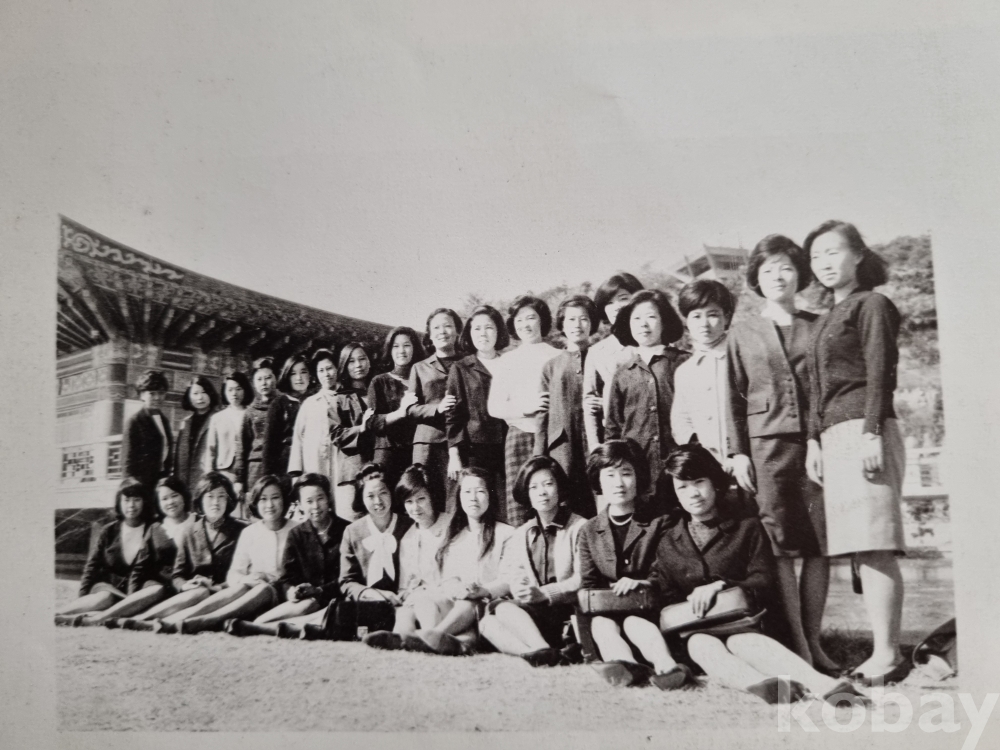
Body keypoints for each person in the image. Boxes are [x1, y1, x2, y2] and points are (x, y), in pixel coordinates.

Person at [650, 445, 860, 704]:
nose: (693, 493)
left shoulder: (747, 528)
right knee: (701, 645)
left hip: (745, 624)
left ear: (714, 482)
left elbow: (764, 580)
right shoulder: (668, 542)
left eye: (699, 482)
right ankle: (760, 686)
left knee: (745, 642)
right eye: (682, 487)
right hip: (694, 633)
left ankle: (823, 685)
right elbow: (666, 596)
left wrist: (722, 585)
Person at [805, 220, 908, 685]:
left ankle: (887, 654)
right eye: (816, 256)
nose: (824, 263)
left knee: (875, 545)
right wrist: (814, 440)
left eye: (833, 252)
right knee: (858, 547)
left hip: (866, 430)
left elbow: (880, 371)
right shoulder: (826, 317)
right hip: (835, 437)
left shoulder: (872, 304)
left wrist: (871, 432)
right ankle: (881, 650)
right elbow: (817, 388)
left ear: (859, 255)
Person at [726, 234, 833, 670]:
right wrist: (738, 453)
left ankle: (815, 639)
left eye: (786, 268)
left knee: (821, 543)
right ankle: (798, 645)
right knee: (781, 546)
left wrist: (817, 439)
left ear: (799, 274)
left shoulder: (819, 324)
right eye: (768, 269)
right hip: (765, 449)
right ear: (756, 277)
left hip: (817, 447)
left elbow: (825, 391)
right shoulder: (741, 332)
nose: (777, 276)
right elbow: (733, 397)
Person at [577, 440, 690, 689]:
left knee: (634, 623)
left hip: (650, 610)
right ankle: (625, 666)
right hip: (608, 613)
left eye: (626, 473)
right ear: (598, 481)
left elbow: (668, 570)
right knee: (602, 623)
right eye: (610, 475)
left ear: (638, 477)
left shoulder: (660, 521)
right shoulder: (588, 531)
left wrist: (642, 583)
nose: (619, 483)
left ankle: (668, 668)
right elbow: (588, 584)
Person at [480, 456, 588, 666]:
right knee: (486, 623)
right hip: (536, 614)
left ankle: (540, 650)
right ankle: (542, 652)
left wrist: (544, 593)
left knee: (503, 609)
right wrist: (519, 588)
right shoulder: (523, 533)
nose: (542, 492)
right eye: (533, 487)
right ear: (527, 494)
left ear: (559, 488)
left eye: (548, 484)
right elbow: (513, 576)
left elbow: (583, 579)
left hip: (568, 611)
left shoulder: (580, 527)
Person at [117, 472, 247, 632]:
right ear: (200, 499)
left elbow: (243, 573)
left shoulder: (242, 530)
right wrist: (185, 585)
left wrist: (217, 587)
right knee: (199, 592)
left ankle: (160, 623)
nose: (215, 502)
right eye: (210, 496)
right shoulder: (190, 530)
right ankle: (140, 620)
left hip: (226, 594)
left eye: (221, 496)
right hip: (195, 594)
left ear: (229, 500)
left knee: (203, 593)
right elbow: (177, 575)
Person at [226, 473, 349, 637]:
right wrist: (291, 591)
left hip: (336, 597)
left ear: (329, 499)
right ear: (300, 505)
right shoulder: (297, 533)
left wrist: (319, 590)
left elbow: (349, 576)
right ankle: (267, 627)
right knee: (266, 619)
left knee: (317, 608)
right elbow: (287, 577)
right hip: (306, 600)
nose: (315, 506)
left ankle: (264, 629)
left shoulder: (347, 530)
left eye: (320, 498)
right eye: (309, 501)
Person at [173, 475, 298, 634]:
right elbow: (234, 573)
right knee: (243, 586)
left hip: (282, 594)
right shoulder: (250, 531)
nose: (269, 504)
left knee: (263, 589)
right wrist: (247, 578)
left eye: (275, 497)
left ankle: (203, 622)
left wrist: (272, 579)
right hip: (247, 592)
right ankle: (176, 621)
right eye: (263, 499)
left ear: (284, 500)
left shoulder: (297, 530)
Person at [605, 288, 688, 515]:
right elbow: (613, 428)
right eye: (636, 318)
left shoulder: (683, 363)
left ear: (664, 321)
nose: (643, 324)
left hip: (681, 467)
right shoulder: (623, 373)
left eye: (651, 317)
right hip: (639, 471)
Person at [362, 464, 452, 651]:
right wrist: (407, 594)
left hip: (449, 598)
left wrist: (424, 592)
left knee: (424, 603)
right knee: (404, 612)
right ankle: (401, 639)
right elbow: (405, 585)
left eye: (421, 499)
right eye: (409, 502)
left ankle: (430, 640)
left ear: (433, 497)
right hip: (421, 599)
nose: (415, 508)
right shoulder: (408, 537)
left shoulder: (451, 526)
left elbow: (457, 574)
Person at [488, 295, 561, 526]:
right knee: (521, 503)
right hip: (519, 436)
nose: (525, 325)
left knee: (555, 497)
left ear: (542, 320)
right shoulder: (507, 360)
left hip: (554, 436)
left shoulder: (557, 355)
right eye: (519, 320)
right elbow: (494, 407)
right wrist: (526, 408)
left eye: (531, 318)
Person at [55, 479, 166, 625]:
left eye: (136, 499)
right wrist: (82, 596)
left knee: (156, 589)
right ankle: (56, 615)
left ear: (144, 502)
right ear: (119, 502)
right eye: (126, 500)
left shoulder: (153, 528)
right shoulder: (108, 531)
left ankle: (96, 619)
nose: (131, 505)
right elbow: (92, 566)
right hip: (108, 587)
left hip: (139, 590)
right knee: (106, 597)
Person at [535, 295, 600, 518]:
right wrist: (539, 455)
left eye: (584, 318)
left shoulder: (603, 357)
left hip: (597, 441)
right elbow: (542, 414)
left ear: (592, 323)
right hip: (563, 446)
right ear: (562, 324)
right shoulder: (551, 366)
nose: (577, 325)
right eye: (571, 319)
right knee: (569, 504)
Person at [445, 305, 508, 508]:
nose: (483, 334)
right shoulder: (461, 367)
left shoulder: (510, 363)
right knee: (478, 505)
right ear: (469, 333)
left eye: (489, 327)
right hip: (475, 450)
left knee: (507, 504)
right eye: (477, 328)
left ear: (498, 331)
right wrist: (454, 455)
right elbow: (453, 416)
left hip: (509, 444)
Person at [671, 280, 736, 464]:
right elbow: (681, 421)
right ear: (686, 321)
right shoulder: (684, 371)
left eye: (713, 315)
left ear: (726, 317)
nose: (704, 324)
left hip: (746, 460)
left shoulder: (741, 358)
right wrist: (701, 453)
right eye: (696, 316)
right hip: (708, 466)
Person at [407, 308, 464, 511]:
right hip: (428, 445)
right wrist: (436, 408)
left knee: (457, 502)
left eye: (448, 326)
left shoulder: (468, 363)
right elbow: (410, 409)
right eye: (436, 328)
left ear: (457, 331)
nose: (442, 331)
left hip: (460, 442)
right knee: (427, 500)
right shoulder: (419, 368)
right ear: (430, 335)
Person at [583, 272, 644, 453]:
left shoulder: (654, 340)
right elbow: (589, 402)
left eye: (623, 299)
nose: (616, 307)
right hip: (618, 436)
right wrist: (594, 444)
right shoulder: (597, 352)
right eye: (609, 303)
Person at [339, 463, 413, 601]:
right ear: (361, 498)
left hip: (406, 600)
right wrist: (372, 593)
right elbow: (346, 581)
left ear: (391, 492)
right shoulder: (352, 532)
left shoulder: (409, 525)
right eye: (370, 496)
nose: (378, 501)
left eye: (383, 493)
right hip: (368, 603)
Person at [367, 327, 424, 493]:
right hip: (388, 453)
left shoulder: (423, 379)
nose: (401, 351)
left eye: (406, 345)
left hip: (417, 451)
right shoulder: (379, 381)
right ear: (390, 350)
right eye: (396, 346)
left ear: (414, 348)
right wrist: (401, 412)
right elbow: (372, 421)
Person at [328, 342, 376, 522]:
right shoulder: (339, 399)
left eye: (362, 359)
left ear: (369, 362)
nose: (358, 365)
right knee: (353, 526)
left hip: (379, 470)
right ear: (344, 366)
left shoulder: (379, 391)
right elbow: (336, 434)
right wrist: (361, 428)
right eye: (351, 361)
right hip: (352, 474)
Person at [288, 349, 340, 490]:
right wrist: (295, 474)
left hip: (340, 468)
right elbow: (298, 440)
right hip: (314, 466)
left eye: (329, 368)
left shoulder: (347, 398)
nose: (326, 374)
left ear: (337, 369)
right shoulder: (309, 403)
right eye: (321, 370)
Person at [203, 371, 252, 518]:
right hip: (224, 472)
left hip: (248, 472)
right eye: (230, 389)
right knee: (225, 512)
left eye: (238, 389)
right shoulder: (218, 418)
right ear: (224, 391)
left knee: (246, 513)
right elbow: (211, 450)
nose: (234, 393)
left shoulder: (252, 414)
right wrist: (210, 477)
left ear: (245, 390)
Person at [121, 370, 173, 496]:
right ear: (142, 395)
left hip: (160, 484)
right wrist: (131, 489)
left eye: (161, 393)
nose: (157, 398)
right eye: (152, 393)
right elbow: (127, 461)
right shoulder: (135, 421)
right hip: (141, 485)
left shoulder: (164, 421)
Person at [261, 354, 313, 478]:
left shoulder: (316, 401)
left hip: (313, 461)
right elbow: (269, 445)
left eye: (303, 372)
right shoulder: (279, 404)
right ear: (287, 376)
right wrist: (268, 476)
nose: (299, 378)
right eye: (293, 373)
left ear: (310, 375)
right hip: (286, 466)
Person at [240, 357, 279, 502]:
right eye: (259, 379)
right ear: (254, 383)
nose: (264, 383)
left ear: (275, 378)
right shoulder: (250, 411)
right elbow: (242, 447)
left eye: (268, 378)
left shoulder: (284, 405)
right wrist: (239, 479)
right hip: (255, 467)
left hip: (278, 466)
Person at [173, 377, 219, 494]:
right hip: (184, 483)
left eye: (204, 392)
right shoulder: (185, 423)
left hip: (206, 482)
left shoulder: (218, 419)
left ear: (210, 394)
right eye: (195, 393)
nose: (200, 397)